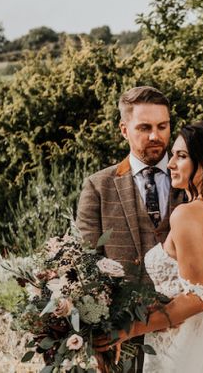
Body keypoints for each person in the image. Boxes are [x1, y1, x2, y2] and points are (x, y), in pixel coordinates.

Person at [100, 121, 203, 373]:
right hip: (194, 340)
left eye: (182, 156)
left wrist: (128, 329)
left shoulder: (187, 215)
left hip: (177, 348)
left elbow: (196, 298)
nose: (170, 163)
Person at [76, 85, 176, 276]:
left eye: (162, 126)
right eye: (144, 128)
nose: (155, 136)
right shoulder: (98, 186)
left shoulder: (192, 178)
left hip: (186, 302)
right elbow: (86, 258)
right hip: (123, 303)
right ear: (124, 130)